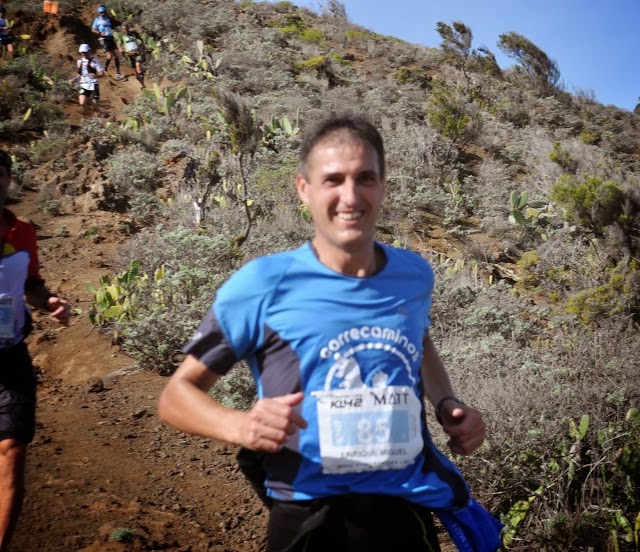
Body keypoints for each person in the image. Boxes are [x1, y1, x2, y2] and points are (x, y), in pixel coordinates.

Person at [158, 113, 502, 551]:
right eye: (333, 180)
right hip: (309, 518)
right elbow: (176, 397)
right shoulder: (263, 284)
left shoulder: (414, 275)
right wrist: (240, 426)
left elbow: (419, 342)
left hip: (406, 514)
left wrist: (447, 404)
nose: (350, 196)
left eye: (365, 178)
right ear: (304, 189)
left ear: (383, 186)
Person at [0, 148, 71, 550]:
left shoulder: (22, 232)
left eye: (0, 173)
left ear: (8, 179)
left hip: (10, 353)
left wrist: (49, 301)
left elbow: (30, 284)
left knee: (12, 450)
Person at [71, 44, 105, 118]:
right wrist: (74, 79)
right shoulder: (79, 62)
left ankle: (99, 116)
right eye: (82, 52)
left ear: (89, 51)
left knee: (94, 104)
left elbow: (102, 73)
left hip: (93, 84)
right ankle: (89, 118)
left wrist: (96, 76)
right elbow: (79, 74)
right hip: (84, 84)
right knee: (82, 102)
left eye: (85, 52)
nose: (84, 54)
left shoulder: (95, 61)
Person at [91, 5, 122, 79]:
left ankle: (117, 73)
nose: (103, 13)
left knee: (116, 55)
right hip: (103, 39)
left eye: (104, 12)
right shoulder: (97, 20)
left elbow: (113, 26)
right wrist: (99, 33)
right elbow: (93, 29)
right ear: (99, 13)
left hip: (110, 38)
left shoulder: (108, 19)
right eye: (101, 12)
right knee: (109, 55)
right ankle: (105, 70)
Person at [120, 23, 145, 89]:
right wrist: (122, 50)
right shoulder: (122, 36)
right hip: (129, 55)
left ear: (129, 28)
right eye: (124, 29)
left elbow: (141, 40)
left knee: (138, 67)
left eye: (126, 29)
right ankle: (140, 81)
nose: (125, 31)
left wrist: (141, 47)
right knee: (135, 72)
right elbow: (119, 45)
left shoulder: (134, 33)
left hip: (136, 53)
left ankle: (142, 84)